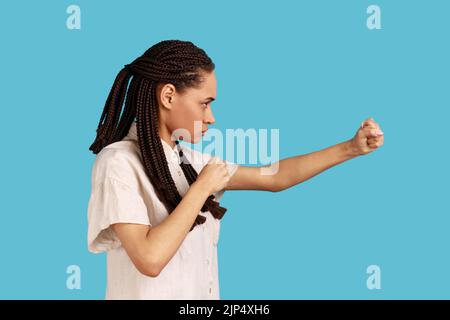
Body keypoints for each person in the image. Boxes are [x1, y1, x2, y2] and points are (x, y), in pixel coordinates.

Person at [87, 39, 385, 299]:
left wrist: (351, 148)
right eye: (204, 104)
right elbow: (150, 259)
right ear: (168, 96)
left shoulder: (189, 161)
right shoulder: (118, 163)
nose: (211, 117)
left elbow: (275, 177)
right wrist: (201, 188)